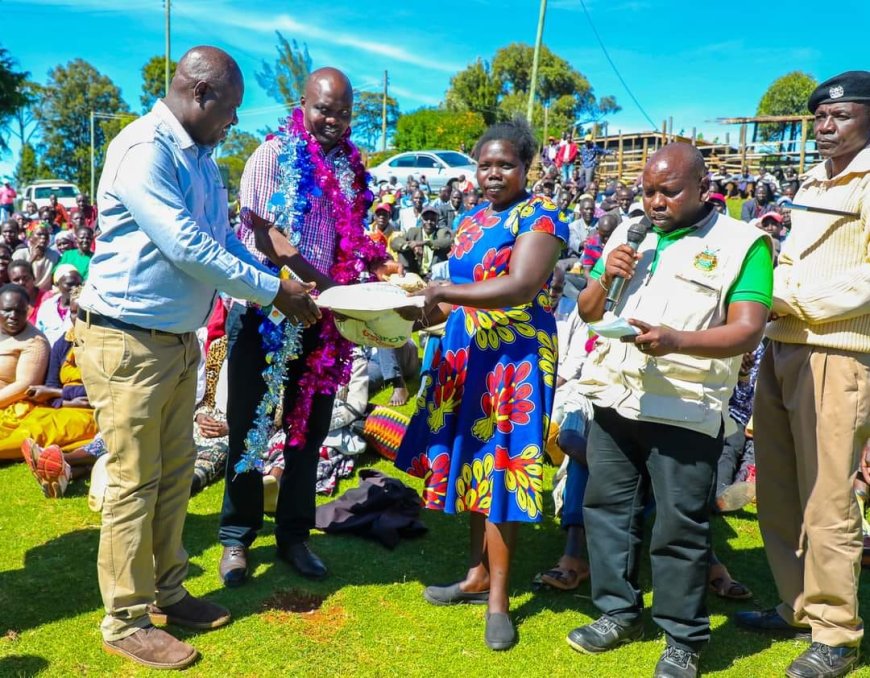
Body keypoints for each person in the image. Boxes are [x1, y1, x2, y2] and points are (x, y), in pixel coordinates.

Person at [74, 46, 319, 670]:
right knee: (133, 480)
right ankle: (125, 621)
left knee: (176, 472)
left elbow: (219, 238)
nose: (234, 122)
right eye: (231, 109)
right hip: (127, 339)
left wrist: (279, 270)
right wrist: (272, 293)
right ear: (201, 94)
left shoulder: (201, 158)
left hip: (177, 340)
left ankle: (167, 590)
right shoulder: (144, 150)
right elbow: (184, 245)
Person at [566, 143, 772, 678]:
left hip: (685, 407)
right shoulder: (628, 231)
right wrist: (607, 275)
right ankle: (617, 612)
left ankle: (682, 639)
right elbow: (589, 312)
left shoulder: (743, 244)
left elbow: (748, 328)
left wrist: (678, 339)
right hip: (616, 397)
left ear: (704, 187)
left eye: (669, 192)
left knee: (679, 528)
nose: (655, 203)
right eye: (648, 191)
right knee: (607, 511)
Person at [394, 117, 569, 651]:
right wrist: (405, 316)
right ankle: (475, 576)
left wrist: (444, 288)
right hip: (466, 354)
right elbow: (456, 296)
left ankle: (499, 599)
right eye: (485, 164)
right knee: (473, 461)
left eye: (505, 164)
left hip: (513, 362)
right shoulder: (469, 221)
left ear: (526, 166)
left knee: (504, 469)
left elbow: (520, 286)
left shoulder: (541, 218)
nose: (493, 174)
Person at [218, 66, 390, 589]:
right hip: (267, 309)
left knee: (307, 432)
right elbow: (264, 232)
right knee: (249, 425)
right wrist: (322, 285)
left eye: (342, 111)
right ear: (303, 103)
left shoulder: (352, 168)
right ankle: (236, 538)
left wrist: (365, 281)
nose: (332, 120)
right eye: (323, 108)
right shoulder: (272, 154)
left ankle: (294, 536)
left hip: (323, 321)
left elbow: (352, 239)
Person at [736, 71, 870, 678]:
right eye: (819, 118)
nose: (824, 127)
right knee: (780, 489)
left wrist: (798, 301)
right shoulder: (814, 177)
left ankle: (837, 634)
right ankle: (797, 605)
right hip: (782, 345)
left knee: (829, 497)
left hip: (837, 352)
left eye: (839, 116)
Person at [34, 265, 82, 346]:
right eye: (70, 284)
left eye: (78, 284)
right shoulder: (47, 307)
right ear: (57, 284)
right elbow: (38, 336)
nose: (75, 288)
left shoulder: (84, 307)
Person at [13, 223, 59, 291]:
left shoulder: (54, 255)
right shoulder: (19, 254)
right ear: (30, 238)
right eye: (39, 234)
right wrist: (32, 258)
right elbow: (16, 275)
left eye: (46, 235)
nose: (43, 237)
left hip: (46, 293)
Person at [580, 212, 618, 276]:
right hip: (596, 279)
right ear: (598, 230)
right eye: (603, 235)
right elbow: (587, 271)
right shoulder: (591, 245)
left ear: (616, 230)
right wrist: (592, 284)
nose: (606, 239)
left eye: (609, 235)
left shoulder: (621, 244)